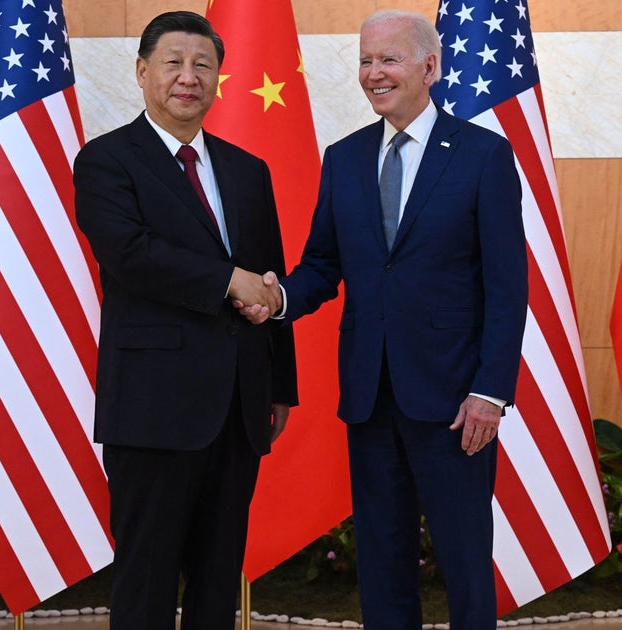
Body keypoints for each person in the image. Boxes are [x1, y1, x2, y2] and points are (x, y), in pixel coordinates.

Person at [237, 9, 526, 629]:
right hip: (369, 395)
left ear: (429, 66)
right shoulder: (343, 158)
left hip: (455, 400)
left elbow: (508, 286)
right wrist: (278, 297)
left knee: (466, 561)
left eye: (388, 60)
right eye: (366, 61)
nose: (374, 73)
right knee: (383, 558)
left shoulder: (483, 156)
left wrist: (491, 391)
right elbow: (321, 265)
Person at [72, 11, 298, 630]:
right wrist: (228, 280)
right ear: (143, 71)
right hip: (152, 409)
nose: (188, 77)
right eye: (173, 62)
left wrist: (279, 386)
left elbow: (272, 278)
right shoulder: (106, 161)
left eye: (203, 65)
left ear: (220, 78)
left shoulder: (249, 170)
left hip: (239, 406)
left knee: (217, 579)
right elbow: (131, 254)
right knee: (145, 580)